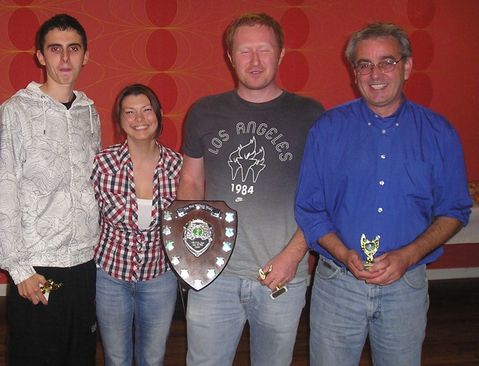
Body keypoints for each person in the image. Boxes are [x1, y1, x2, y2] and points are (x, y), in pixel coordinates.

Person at [295, 22, 472, 366]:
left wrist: (408, 255)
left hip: (405, 288)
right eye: (365, 64)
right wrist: (344, 253)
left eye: (387, 62)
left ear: (407, 66)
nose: (376, 74)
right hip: (337, 285)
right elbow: (310, 209)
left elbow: (454, 209)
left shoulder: (439, 133)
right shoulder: (327, 130)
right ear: (354, 72)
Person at [178, 12, 324, 366]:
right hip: (214, 275)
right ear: (230, 56)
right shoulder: (204, 112)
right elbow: (192, 181)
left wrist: (293, 257)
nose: (255, 62)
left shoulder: (311, 115)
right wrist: (190, 253)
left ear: (282, 53)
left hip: (281, 275)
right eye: (245, 52)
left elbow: (323, 197)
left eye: (264, 50)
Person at [0, 13, 101, 365]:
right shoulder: (15, 112)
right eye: (55, 49)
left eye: (73, 49)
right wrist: (20, 270)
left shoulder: (91, 113)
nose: (65, 59)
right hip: (39, 267)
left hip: (85, 264)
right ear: (40, 56)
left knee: (80, 355)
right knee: (36, 356)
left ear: (85, 55)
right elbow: (4, 188)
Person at [92, 84, 182, 366]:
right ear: (119, 120)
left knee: (153, 358)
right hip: (110, 277)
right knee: (116, 358)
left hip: (160, 276)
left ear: (158, 114)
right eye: (129, 112)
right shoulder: (102, 165)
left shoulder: (178, 167)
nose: (139, 119)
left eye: (146, 110)